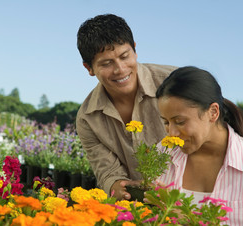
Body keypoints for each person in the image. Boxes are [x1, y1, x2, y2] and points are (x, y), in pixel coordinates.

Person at [155, 66, 243, 225]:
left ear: (213, 112)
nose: (171, 133)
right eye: (166, 122)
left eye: (180, 122)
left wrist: (185, 218)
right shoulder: (163, 152)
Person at [75, 13, 177, 200]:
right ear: (89, 68)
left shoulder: (175, 82)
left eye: (124, 56)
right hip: (139, 207)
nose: (120, 69)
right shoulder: (87, 118)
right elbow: (107, 172)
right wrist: (117, 186)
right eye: (106, 63)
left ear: (135, 50)